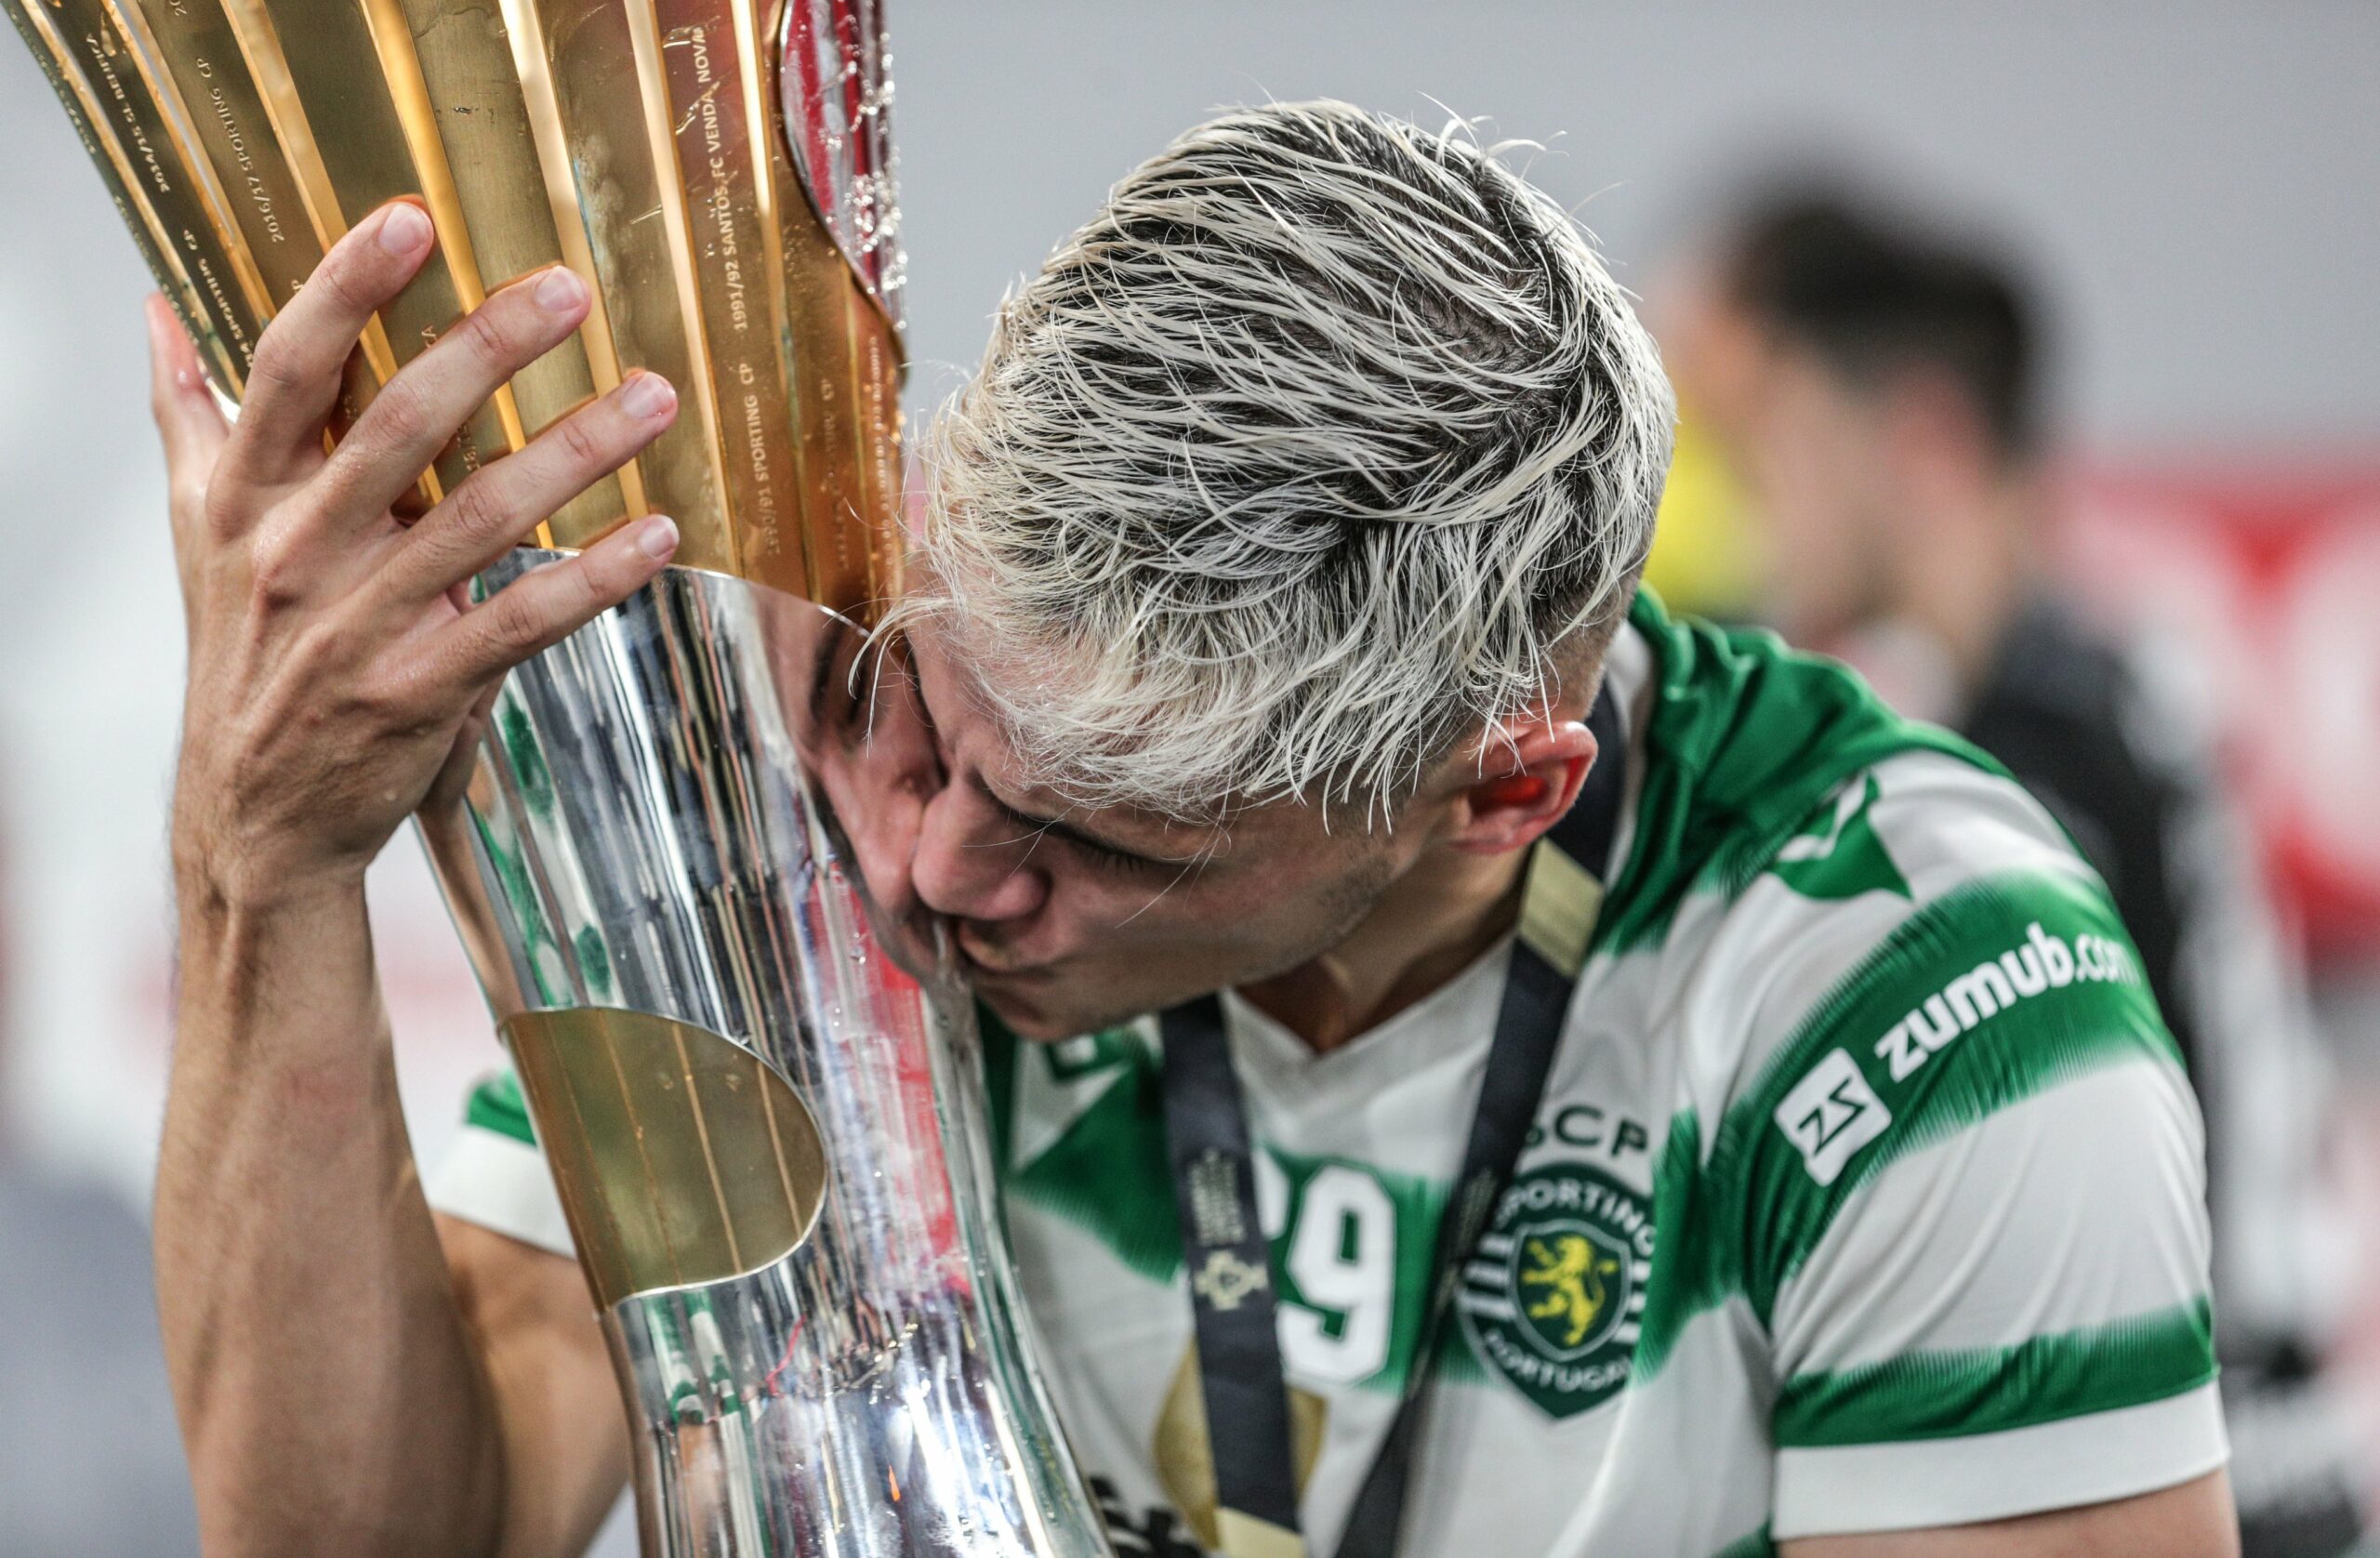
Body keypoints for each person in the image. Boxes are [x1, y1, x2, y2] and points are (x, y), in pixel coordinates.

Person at [150, 103, 2239, 1557]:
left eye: (1098, 838)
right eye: (923, 709)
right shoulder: (810, 786)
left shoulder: (1926, 994)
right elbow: (382, 1528)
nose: (935, 872)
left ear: (1498, 783)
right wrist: (266, 856)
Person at [1666, 188, 2365, 1558]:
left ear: (1919, 439)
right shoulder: (2103, 683)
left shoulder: (2026, 762)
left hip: (2177, 1447)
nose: (1765, 512)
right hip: (2253, 1435)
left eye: (1789, 451)